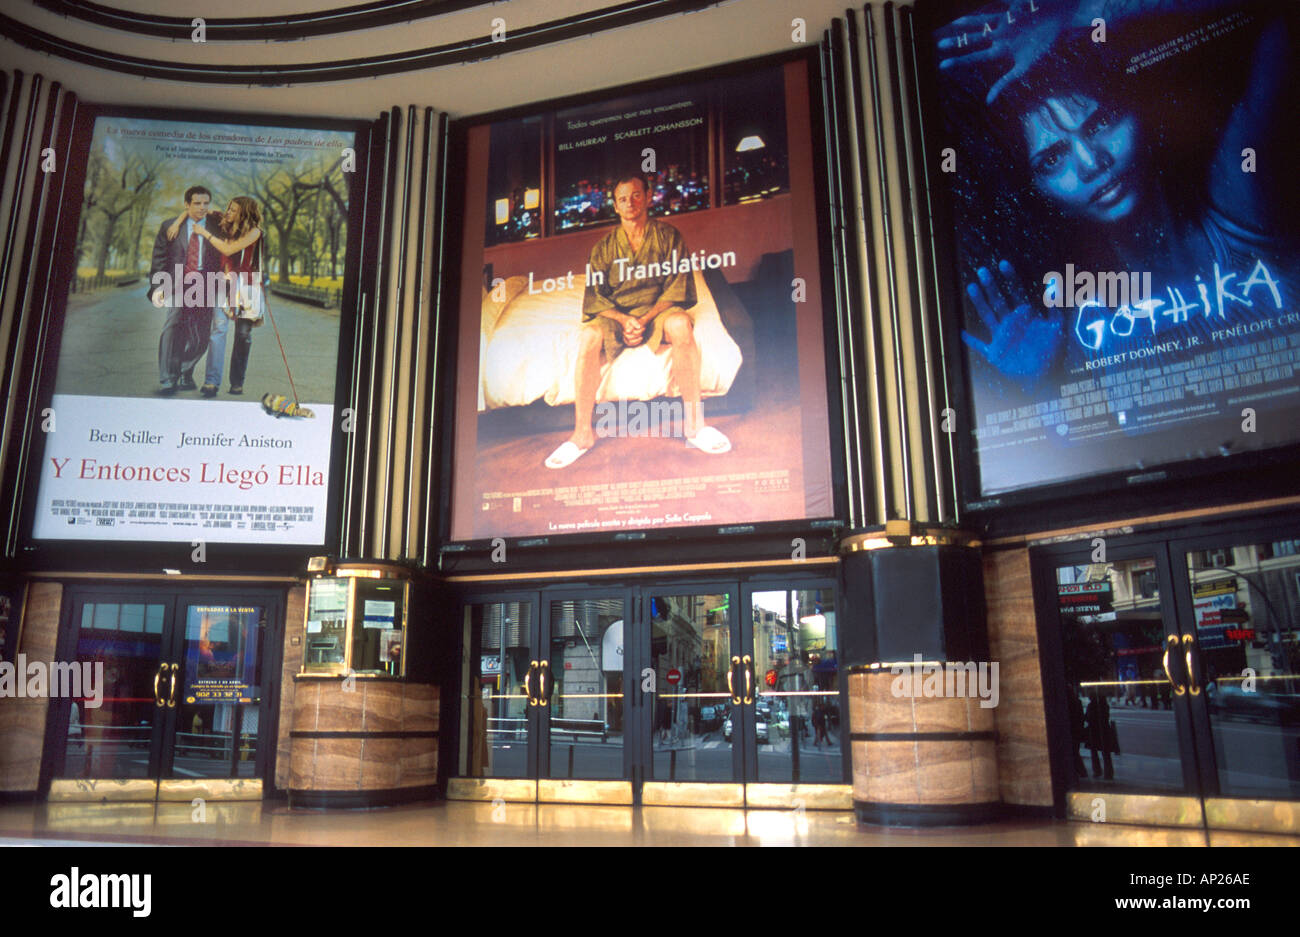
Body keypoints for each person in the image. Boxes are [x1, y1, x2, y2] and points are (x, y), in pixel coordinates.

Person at [937, 0, 1296, 390]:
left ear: (1138, 110)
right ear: (1037, 191)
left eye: (1101, 122)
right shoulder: (1082, 327)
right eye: (1053, 159)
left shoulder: (1240, 203)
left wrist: (1078, 15)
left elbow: (1281, 17)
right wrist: (1041, 387)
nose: (1092, 161)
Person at [544, 173, 732, 468]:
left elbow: (678, 285)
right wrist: (622, 320)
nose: (629, 203)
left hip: (657, 310)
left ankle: (695, 425)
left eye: (635, 195)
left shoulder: (669, 237)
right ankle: (582, 434)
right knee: (588, 338)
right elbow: (595, 297)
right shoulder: (603, 248)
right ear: (615, 207)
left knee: (682, 325)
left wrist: (644, 319)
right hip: (617, 313)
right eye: (622, 199)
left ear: (647, 197)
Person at [168, 196, 265, 395]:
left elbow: (229, 248)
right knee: (218, 330)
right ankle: (211, 382)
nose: (228, 212)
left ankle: (237, 381)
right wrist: (178, 222)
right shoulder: (223, 223)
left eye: (234, 210)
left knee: (243, 335)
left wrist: (204, 233)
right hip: (224, 281)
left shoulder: (255, 232)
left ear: (244, 213)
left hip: (247, 285)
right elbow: (194, 212)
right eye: (229, 208)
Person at [148, 185, 223, 394]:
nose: (202, 207)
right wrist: (158, 287)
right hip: (178, 282)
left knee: (201, 335)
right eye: (197, 203)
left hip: (206, 284)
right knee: (172, 326)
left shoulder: (217, 225)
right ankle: (168, 378)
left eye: (206, 203)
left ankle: (184, 370)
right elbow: (159, 259)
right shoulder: (169, 227)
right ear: (187, 205)